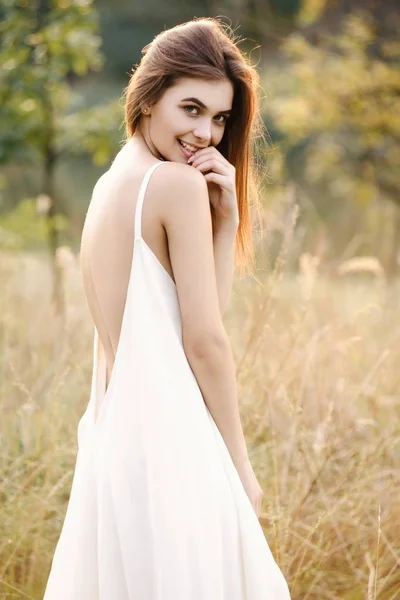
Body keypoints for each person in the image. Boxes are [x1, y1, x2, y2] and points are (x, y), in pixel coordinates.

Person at [43, 17, 291, 600]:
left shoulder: (111, 185)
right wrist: (240, 467)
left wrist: (226, 218)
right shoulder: (174, 187)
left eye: (221, 117)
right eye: (191, 109)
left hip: (114, 442)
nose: (207, 132)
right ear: (149, 98)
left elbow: (193, 315)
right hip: (173, 444)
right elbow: (205, 340)